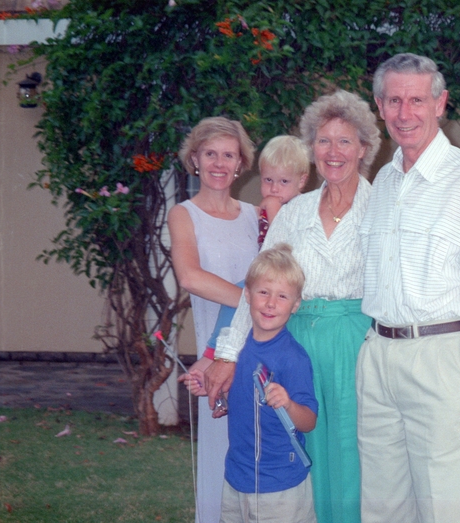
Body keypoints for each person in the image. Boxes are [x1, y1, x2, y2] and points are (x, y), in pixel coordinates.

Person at [206, 90, 381, 523]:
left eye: (345, 142)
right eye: (324, 141)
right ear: (311, 150)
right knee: (295, 449)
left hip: (357, 347)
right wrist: (228, 355)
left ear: (364, 149)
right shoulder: (294, 212)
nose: (334, 152)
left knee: (355, 453)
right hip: (293, 348)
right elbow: (260, 281)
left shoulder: (383, 208)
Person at [356, 53, 460, 523]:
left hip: (442, 360)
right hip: (379, 357)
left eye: (417, 100)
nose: (405, 114)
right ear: (380, 105)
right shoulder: (383, 182)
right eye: (394, 101)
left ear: (440, 103)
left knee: (446, 509)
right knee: (382, 509)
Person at [168, 116, 260, 523]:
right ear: (195, 160)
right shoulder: (184, 215)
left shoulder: (257, 216)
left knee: (263, 454)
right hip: (217, 355)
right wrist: (256, 302)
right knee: (222, 459)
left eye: (229, 154)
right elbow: (190, 276)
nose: (220, 163)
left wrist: (265, 307)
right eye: (211, 154)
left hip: (262, 352)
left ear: (241, 163)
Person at [183, 135, 309, 380]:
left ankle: (212, 353)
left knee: (243, 293)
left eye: (284, 181)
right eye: (268, 180)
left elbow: (280, 243)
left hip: (284, 278)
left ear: (301, 181)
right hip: (275, 281)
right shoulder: (271, 208)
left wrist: (271, 210)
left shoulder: (291, 208)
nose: (274, 188)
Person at [221, 244, 318, 523]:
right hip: (237, 478)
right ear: (248, 295)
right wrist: (221, 398)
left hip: (279, 486)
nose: (271, 303)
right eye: (263, 292)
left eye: (282, 296)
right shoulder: (239, 348)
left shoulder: (293, 357)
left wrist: (288, 403)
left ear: (295, 305)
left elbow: (309, 421)